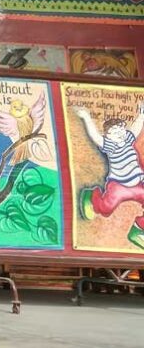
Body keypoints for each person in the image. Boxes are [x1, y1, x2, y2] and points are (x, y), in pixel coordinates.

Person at [74, 104, 144, 250]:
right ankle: (92, 197)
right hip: (119, 185)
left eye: (121, 129)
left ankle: (138, 229)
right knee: (106, 208)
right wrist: (86, 118)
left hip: (138, 183)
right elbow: (96, 137)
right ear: (108, 136)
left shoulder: (128, 140)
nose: (119, 132)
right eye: (114, 131)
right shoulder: (111, 147)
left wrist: (142, 113)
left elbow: (136, 127)